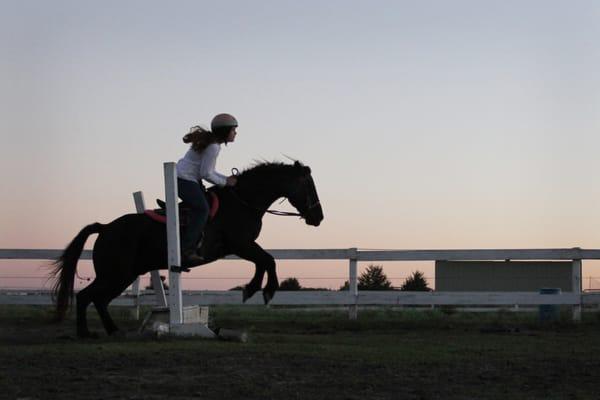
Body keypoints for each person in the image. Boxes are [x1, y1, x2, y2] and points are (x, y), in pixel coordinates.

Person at [176, 113, 238, 265]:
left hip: (186, 178)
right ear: (225, 131)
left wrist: (225, 180)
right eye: (233, 130)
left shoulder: (211, 143)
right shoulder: (214, 147)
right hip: (185, 180)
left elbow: (209, 171)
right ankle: (187, 250)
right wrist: (225, 183)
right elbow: (206, 173)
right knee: (202, 210)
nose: (235, 133)